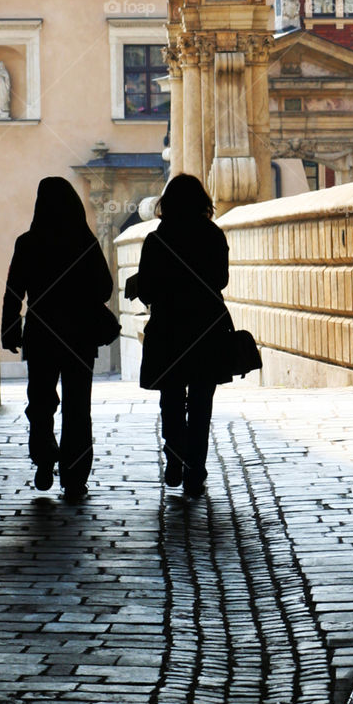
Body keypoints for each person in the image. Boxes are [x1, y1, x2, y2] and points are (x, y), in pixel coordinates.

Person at [1, 176, 113, 500]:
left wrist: (9, 329)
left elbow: (13, 292)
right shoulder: (85, 242)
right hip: (79, 335)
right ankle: (75, 477)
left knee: (40, 402)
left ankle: (43, 456)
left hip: (41, 334)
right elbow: (105, 288)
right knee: (78, 407)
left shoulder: (27, 243)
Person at [136, 173, 230, 498]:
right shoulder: (213, 235)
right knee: (202, 401)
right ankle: (195, 470)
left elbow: (146, 287)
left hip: (168, 327)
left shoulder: (155, 240)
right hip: (205, 326)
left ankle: (174, 456)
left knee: (172, 398)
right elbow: (221, 279)